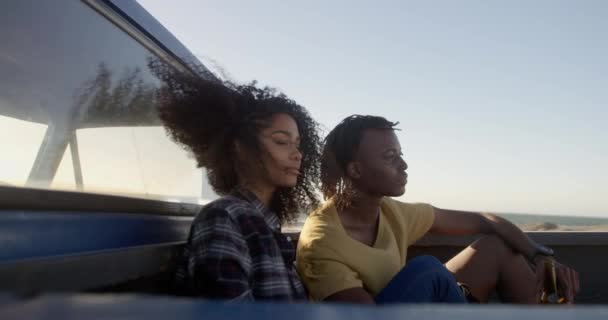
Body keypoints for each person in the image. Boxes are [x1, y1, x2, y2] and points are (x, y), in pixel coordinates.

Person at [296, 114, 580, 304]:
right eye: (390, 156)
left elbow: (485, 220)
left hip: (418, 306)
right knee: (427, 270)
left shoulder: (393, 213)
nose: (403, 165)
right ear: (355, 170)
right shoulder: (323, 242)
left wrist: (540, 255)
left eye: (401, 155)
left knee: (494, 246)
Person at [152, 62, 322, 301]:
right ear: (240, 148)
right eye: (282, 141)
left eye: (298, 144)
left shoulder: (266, 223)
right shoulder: (224, 218)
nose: (298, 154)